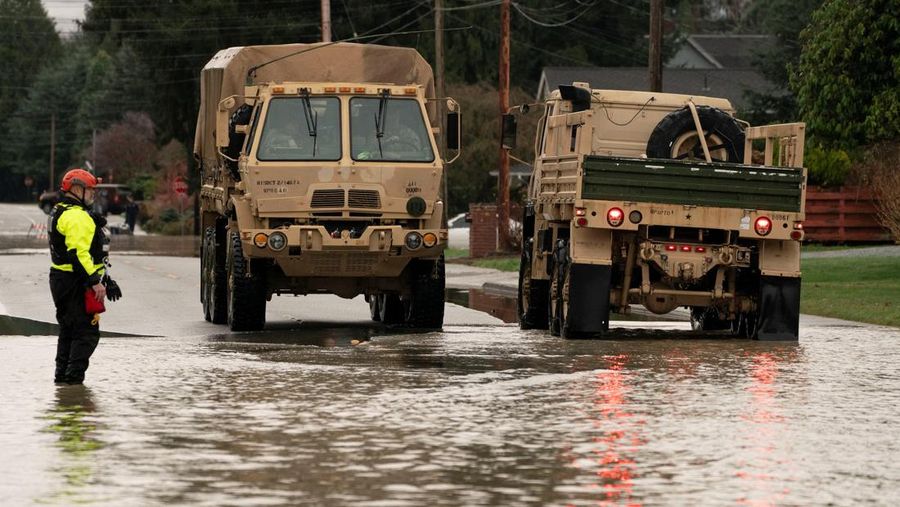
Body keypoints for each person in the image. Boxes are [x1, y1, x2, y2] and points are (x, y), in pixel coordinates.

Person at [48, 169, 122, 385]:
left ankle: (61, 381)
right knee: (86, 334)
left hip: (61, 280)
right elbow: (78, 254)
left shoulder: (61, 210)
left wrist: (106, 279)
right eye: (90, 190)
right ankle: (73, 384)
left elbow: (88, 254)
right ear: (77, 189)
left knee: (68, 332)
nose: (93, 195)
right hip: (75, 283)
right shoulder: (78, 217)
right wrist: (95, 282)